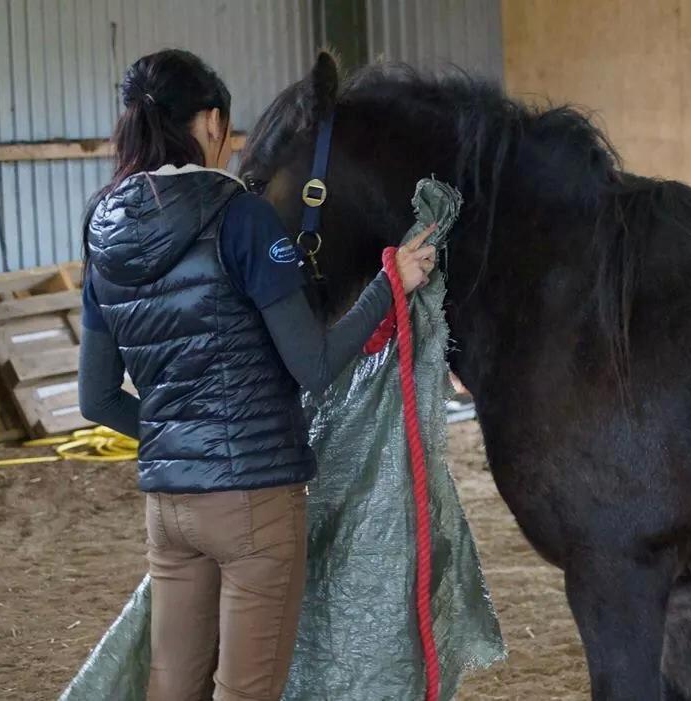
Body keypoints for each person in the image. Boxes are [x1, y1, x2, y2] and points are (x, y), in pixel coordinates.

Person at [77, 49, 435, 701]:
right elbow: (316, 365)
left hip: (168, 508)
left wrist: (172, 435)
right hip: (254, 503)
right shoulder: (240, 217)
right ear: (211, 122)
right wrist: (390, 286)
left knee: (171, 686)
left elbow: (95, 397)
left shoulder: (101, 228)